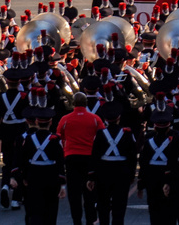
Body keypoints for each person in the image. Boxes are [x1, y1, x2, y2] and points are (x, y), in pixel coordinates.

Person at [57, 92, 105, 225]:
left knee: (74, 194)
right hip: (89, 158)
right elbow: (103, 137)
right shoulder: (95, 118)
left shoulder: (65, 119)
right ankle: (91, 219)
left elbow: (58, 136)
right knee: (90, 192)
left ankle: (76, 221)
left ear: (73, 103)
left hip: (71, 158)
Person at [88, 102, 138, 225]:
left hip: (103, 173)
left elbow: (95, 156)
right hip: (122, 172)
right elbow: (132, 155)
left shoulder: (100, 134)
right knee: (119, 206)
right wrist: (132, 175)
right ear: (119, 118)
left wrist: (91, 176)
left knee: (103, 205)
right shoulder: (127, 133)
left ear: (105, 119)